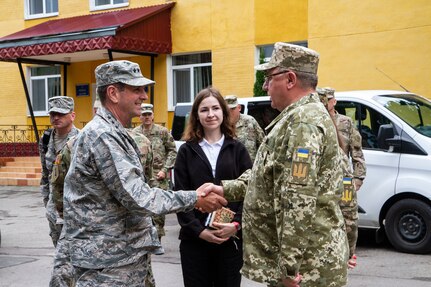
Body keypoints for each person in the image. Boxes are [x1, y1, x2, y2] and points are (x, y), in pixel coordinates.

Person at [59, 60, 227, 286]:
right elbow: (138, 197)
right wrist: (195, 198)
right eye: (136, 89)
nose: (144, 96)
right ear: (113, 93)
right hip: (106, 263)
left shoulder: (116, 132)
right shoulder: (103, 136)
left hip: (120, 256)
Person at [202, 43, 349, 287]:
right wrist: (225, 189)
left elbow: (298, 200)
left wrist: (289, 269)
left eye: (269, 78)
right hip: (304, 262)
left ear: (290, 79)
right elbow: (269, 175)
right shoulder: (295, 118)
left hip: (308, 268)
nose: (264, 85)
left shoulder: (303, 123)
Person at [174, 87, 252, 287]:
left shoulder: (238, 149)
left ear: (224, 113)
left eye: (215, 108)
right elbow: (179, 196)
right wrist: (200, 231)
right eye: (204, 110)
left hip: (230, 239)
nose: (210, 114)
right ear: (196, 116)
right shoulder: (186, 151)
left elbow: (251, 192)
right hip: (195, 241)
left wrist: (235, 225)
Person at [317, 87, 366, 269]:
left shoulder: (344, 122)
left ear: (334, 101)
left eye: (328, 99)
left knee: (348, 217)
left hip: (344, 178)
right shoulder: (316, 122)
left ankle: (346, 254)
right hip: (324, 178)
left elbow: (357, 151)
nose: (325, 103)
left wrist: (358, 177)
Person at [39, 96, 79, 247]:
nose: (56, 118)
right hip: (54, 208)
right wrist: (47, 202)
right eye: (52, 114)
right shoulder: (46, 139)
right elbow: (45, 174)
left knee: (76, 250)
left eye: (61, 114)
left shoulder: (81, 139)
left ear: (72, 115)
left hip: (75, 205)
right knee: (59, 248)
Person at [133, 103, 177, 241]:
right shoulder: (135, 133)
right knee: (141, 207)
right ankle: (143, 238)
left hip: (159, 176)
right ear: (140, 117)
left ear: (153, 116)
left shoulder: (162, 132)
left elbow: (172, 151)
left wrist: (165, 169)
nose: (146, 117)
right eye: (144, 114)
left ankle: (157, 238)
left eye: (149, 114)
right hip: (141, 177)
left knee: (158, 208)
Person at [224, 95, 265, 163]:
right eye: (227, 110)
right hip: (231, 170)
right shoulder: (220, 125)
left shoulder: (250, 121)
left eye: (233, 109)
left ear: (239, 108)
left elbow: (263, 145)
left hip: (251, 168)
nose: (230, 112)